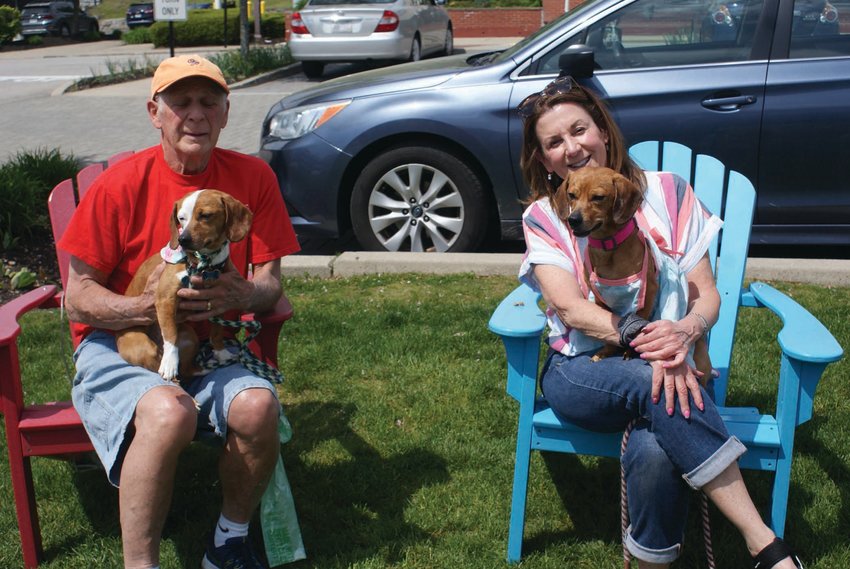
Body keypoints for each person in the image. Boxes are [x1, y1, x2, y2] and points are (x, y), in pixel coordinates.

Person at [516, 76, 803, 569]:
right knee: (662, 380)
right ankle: (763, 542)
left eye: (578, 130)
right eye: (553, 143)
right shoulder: (545, 217)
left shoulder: (669, 193)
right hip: (581, 368)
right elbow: (568, 307)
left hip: (672, 356)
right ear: (544, 161)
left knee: (653, 444)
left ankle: (652, 562)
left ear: (603, 131)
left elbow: (706, 295)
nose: (571, 147)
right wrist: (645, 340)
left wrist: (687, 331)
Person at [60, 54, 301, 569]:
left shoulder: (251, 179)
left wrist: (240, 296)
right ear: (155, 112)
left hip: (210, 338)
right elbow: (76, 295)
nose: (196, 114)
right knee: (170, 411)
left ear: (225, 112)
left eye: (208, 102)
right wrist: (149, 305)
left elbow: (269, 283)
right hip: (117, 339)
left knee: (258, 406)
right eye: (181, 102)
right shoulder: (118, 184)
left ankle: (228, 541)